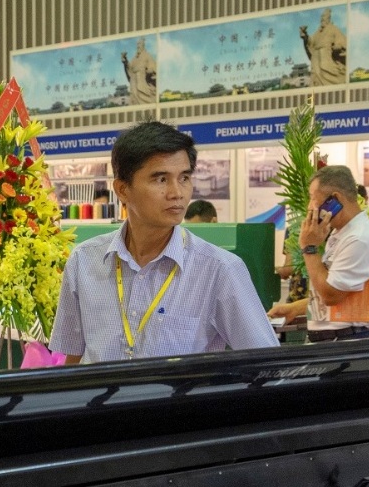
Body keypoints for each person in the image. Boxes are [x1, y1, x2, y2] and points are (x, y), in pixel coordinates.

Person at [49, 121, 278, 364]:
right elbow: (73, 359)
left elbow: (267, 363)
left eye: (184, 178)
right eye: (161, 179)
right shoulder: (84, 261)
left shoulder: (219, 270)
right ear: (123, 189)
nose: (177, 193)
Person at [267, 165, 369, 342]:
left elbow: (331, 295)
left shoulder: (359, 238)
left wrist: (309, 248)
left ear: (335, 199)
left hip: (349, 341)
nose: (310, 206)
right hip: (335, 340)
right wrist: (294, 308)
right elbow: (335, 288)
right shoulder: (341, 233)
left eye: (313, 198)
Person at [300, 7, 347, 86]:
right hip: (315, 61)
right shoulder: (318, 32)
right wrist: (305, 36)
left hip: (327, 60)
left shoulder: (334, 29)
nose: (322, 19)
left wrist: (338, 46)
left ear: (328, 18)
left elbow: (342, 42)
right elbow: (311, 42)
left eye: (324, 17)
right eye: (321, 17)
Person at [121, 37, 157, 104]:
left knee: (146, 101)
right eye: (137, 44)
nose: (138, 46)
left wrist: (150, 71)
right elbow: (130, 68)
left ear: (143, 45)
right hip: (134, 83)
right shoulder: (134, 59)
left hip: (142, 82)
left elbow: (154, 68)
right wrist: (125, 61)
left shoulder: (147, 56)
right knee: (134, 101)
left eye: (139, 44)